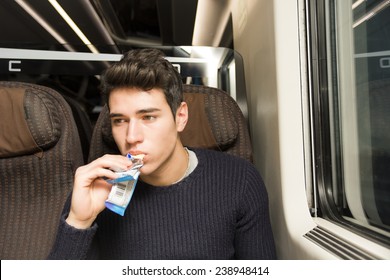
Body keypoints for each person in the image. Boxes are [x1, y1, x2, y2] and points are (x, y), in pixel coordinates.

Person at [48, 48, 276, 260]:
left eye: (148, 117)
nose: (131, 136)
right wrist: (79, 221)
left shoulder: (240, 180)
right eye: (120, 120)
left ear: (181, 117)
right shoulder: (94, 190)